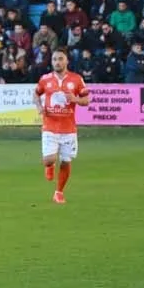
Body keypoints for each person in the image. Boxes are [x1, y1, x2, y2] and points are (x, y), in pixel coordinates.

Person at [34, 47, 89, 204]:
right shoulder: (45, 79)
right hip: (50, 126)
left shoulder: (76, 79)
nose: (57, 62)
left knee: (66, 161)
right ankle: (49, 165)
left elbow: (86, 100)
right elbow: (36, 93)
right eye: (54, 59)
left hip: (68, 129)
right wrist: (39, 106)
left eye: (60, 59)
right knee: (49, 159)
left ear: (67, 61)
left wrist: (75, 99)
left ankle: (58, 192)